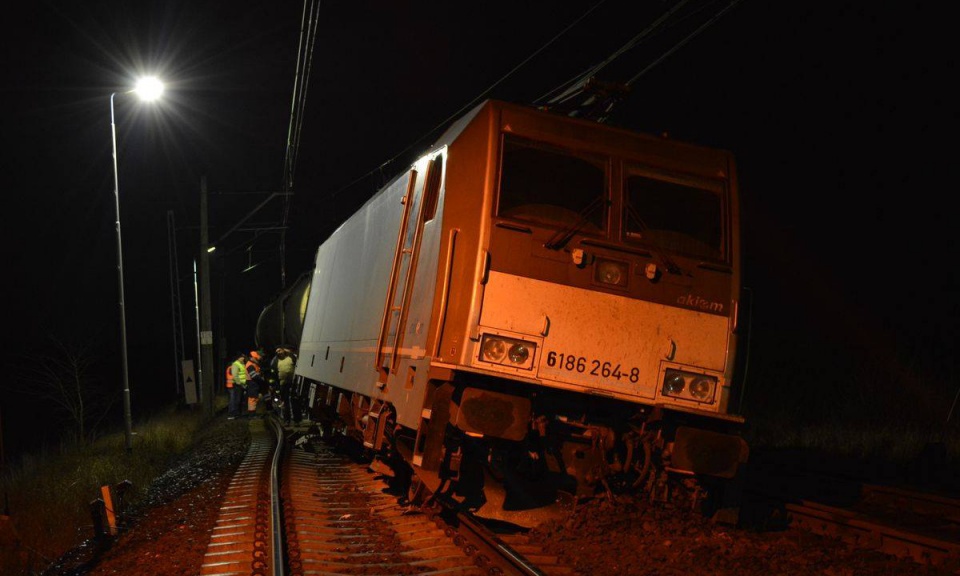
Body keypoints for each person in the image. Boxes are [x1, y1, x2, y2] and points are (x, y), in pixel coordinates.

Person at [275, 347, 301, 424]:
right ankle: (287, 420)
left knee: (294, 401)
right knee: (285, 403)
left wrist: (290, 352)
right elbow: (274, 372)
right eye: (277, 351)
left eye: (280, 350)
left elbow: (298, 360)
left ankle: (297, 420)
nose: (278, 352)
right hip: (283, 384)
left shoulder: (291, 358)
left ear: (284, 351)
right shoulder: (276, 360)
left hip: (293, 383)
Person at [226, 352, 247, 419]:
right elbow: (235, 376)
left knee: (237, 400)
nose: (243, 358)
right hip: (234, 385)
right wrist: (239, 383)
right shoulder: (235, 365)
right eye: (242, 357)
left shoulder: (240, 364)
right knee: (234, 400)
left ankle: (236, 413)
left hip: (236, 385)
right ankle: (232, 414)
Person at [244, 350, 264, 418]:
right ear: (253, 358)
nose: (257, 360)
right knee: (252, 399)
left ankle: (253, 414)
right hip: (252, 383)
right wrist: (261, 379)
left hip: (253, 383)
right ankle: (252, 415)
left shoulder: (252, 364)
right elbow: (254, 375)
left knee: (253, 398)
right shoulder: (250, 365)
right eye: (256, 359)